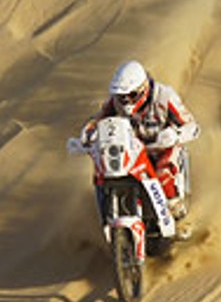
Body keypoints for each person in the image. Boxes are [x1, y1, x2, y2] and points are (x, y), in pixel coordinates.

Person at [83, 59, 200, 231]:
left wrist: (175, 135)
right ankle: (109, 216)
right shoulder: (115, 103)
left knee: (163, 173)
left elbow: (193, 127)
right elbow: (97, 120)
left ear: (144, 88)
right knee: (103, 172)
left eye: (131, 95)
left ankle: (179, 217)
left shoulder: (164, 97)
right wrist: (87, 133)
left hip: (163, 148)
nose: (126, 101)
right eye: (122, 97)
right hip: (134, 153)